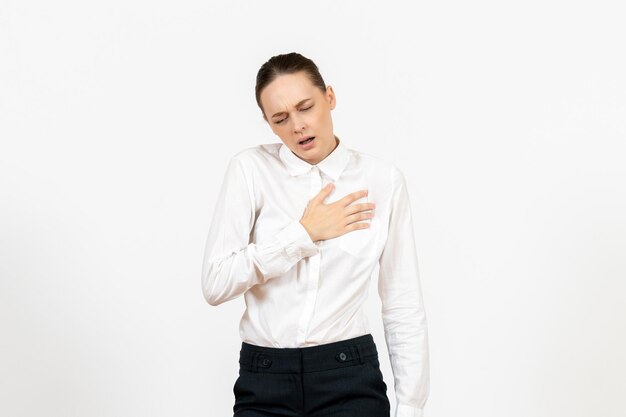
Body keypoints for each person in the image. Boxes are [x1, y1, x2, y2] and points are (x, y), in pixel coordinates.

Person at [201, 52, 430, 417]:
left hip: (349, 377)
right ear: (269, 124)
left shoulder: (382, 180)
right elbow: (215, 283)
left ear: (330, 97)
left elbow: (402, 303)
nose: (297, 126)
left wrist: (412, 405)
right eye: (280, 118)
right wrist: (302, 235)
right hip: (265, 379)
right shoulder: (250, 170)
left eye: (305, 107)